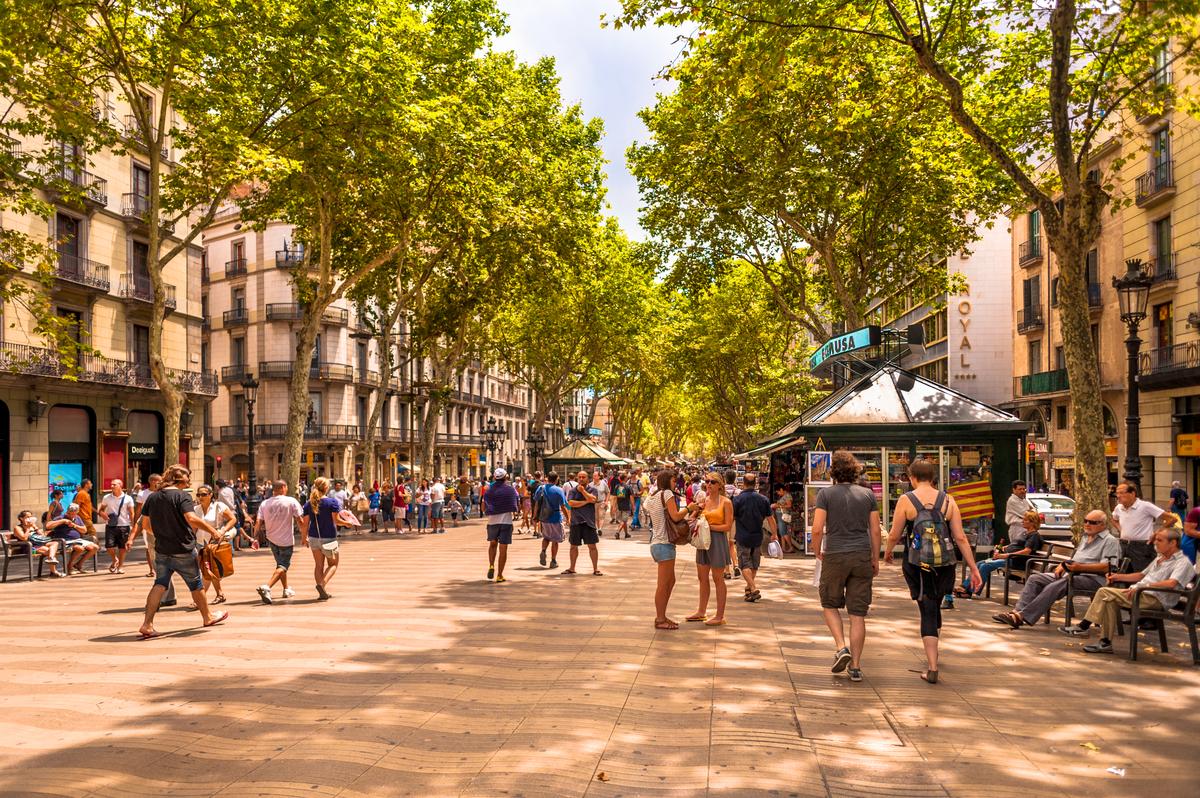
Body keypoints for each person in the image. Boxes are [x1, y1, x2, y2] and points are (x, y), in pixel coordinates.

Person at [885, 460, 982, 684]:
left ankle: (932, 667)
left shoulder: (906, 500)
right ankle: (934, 648)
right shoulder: (948, 500)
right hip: (945, 564)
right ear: (933, 477)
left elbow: (894, 533)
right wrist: (973, 567)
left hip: (917, 563)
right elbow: (960, 537)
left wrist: (887, 553)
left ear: (912, 477)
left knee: (927, 609)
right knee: (934, 604)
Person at [1061, 523, 1196, 654]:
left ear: (1173, 543)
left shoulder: (1182, 562)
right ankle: (1105, 642)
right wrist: (1118, 577)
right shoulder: (1160, 558)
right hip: (1141, 594)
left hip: (1155, 599)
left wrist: (1143, 586)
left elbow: (1172, 583)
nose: (1155, 543)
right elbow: (1141, 575)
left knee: (1104, 591)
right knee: (1109, 600)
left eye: (1160, 540)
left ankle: (1084, 626)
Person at [137, 464, 229, 638]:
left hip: (162, 549)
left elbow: (145, 525)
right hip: (183, 548)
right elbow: (191, 518)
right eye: (188, 476)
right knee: (196, 583)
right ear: (180, 478)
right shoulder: (182, 496)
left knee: (159, 584)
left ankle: (147, 624)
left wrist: (163, 533)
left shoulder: (153, 497)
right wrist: (213, 531)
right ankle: (207, 617)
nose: (189, 479)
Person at [810, 452, 879, 682]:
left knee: (829, 603)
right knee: (858, 614)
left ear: (833, 472)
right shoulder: (868, 495)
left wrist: (817, 551)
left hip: (835, 554)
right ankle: (856, 667)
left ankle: (841, 647)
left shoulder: (825, 494)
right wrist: (875, 558)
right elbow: (876, 530)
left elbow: (818, 528)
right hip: (861, 555)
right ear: (854, 471)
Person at [992, 509, 1121, 628]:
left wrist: (1079, 567)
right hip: (1072, 574)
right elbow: (1076, 560)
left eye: (1092, 522)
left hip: (1093, 579)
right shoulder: (1085, 537)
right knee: (1035, 578)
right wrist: (1063, 564)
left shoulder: (1110, 541)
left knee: (1058, 584)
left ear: (1103, 525)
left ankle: (1022, 616)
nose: (1087, 524)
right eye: (1085, 521)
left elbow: (1108, 567)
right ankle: (1016, 613)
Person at [947, 510, 1044, 606]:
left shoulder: (1034, 535)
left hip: (1016, 561)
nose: (1022, 521)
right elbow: (1016, 545)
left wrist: (1005, 555)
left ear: (1032, 522)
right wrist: (1004, 547)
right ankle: (965, 587)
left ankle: (969, 591)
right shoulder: (1025, 533)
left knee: (986, 566)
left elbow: (1026, 551)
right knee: (979, 563)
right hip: (1009, 558)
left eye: (1025, 520)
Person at [685, 471, 734, 626]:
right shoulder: (704, 501)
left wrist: (708, 526)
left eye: (712, 482)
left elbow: (727, 526)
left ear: (720, 485)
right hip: (703, 541)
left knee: (718, 578)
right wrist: (694, 513)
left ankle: (720, 615)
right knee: (702, 577)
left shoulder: (726, 502)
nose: (709, 484)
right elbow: (692, 518)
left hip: (718, 541)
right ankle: (701, 611)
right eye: (707, 481)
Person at [646, 470, 687, 629]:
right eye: (673, 480)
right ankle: (660, 619)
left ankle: (662, 616)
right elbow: (676, 516)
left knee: (670, 581)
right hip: (663, 544)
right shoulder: (667, 494)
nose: (675, 483)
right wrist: (689, 508)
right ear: (667, 481)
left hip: (657, 543)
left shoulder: (652, 497)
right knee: (663, 584)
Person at [301, 476, 351, 600]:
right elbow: (336, 520)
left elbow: (305, 524)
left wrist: (303, 538)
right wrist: (347, 523)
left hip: (313, 537)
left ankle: (322, 592)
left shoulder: (309, 504)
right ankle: (321, 585)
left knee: (318, 565)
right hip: (329, 538)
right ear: (326, 488)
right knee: (333, 564)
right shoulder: (332, 502)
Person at [255, 480, 303, 604]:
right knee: (283, 566)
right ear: (283, 487)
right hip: (286, 540)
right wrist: (305, 535)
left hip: (271, 539)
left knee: (280, 565)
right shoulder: (291, 501)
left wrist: (255, 538)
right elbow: (300, 520)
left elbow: (258, 522)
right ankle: (267, 587)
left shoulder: (264, 503)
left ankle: (286, 589)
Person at [732, 473, 778, 604]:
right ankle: (749, 589)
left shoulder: (737, 500)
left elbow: (731, 518)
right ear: (755, 483)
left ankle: (752, 587)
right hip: (758, 537)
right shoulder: (763, 499)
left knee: (744, 563)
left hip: (742, 536)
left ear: (743, 483)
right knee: (754, 563)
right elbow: (770, 518)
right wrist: (774, 533)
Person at [195, 484, 238, 604]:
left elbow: (233, 519)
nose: (201, 497)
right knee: (209, 569)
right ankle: (219, 594)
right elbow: (194, 527)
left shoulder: (219, 506)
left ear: (210, 495)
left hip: (214, 543)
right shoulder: (196, 509)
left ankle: (200, 599)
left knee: (207, 570)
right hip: (200, 542)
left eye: (204, 494)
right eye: (199, 494)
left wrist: (222, 531)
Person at [1112, 481, 1164, 572]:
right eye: (1117, 493)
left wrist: (1157, 533)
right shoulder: (1119, 508)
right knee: (1123, 572)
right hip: (1124, 545)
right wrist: (1121, 529)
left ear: (1132, 493)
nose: (1118, 496)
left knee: (1142, 573)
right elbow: (1113, 519)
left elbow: (1172, 519)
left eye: (1121, 493)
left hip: (1142, 546)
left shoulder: (1145, 506)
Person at [483, 468, 520, 582]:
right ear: (506, 477)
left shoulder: (488, 490)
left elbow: (484, 507)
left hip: (492, 522)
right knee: (503, 549)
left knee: (492, 544)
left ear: (494, 477)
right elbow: (516, 506)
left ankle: (491, 565)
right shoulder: (511, 490)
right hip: (506, 522)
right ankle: (499, 575)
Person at [566, 470, 602, 576]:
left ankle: (595, 569)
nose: (581, 479)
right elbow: (571, 503)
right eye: (579, 477)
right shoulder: (572, 490)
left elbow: (594, 499)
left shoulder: (593, 489)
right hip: (576, 522)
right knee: (573, 546)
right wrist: (586, 501)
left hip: (589, 522)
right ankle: (572, 568)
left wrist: (583, 492)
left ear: (588, 478)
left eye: (583, 477)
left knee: (592, 546)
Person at [46, 503, 100, 574]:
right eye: (69, 513)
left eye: (73, 514)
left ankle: (78, 564)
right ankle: (69, 566)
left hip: (77, 540)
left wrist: (74, 526)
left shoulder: (78, 518)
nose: (71, 515)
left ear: (77, 513)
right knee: (79, 548)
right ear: (67, 511)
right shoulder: (61, 517)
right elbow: (48, 526)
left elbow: (84, 530)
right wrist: (62, 521)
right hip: (65, 540)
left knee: (95, 547)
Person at [12, 510, 65, 577]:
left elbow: (43, 536)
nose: (29, 519)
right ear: (21, 518)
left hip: (38, 544)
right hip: (29, 548)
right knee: (49, 550)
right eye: (27, 517)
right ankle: (54, 571)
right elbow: (24, 538)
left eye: (30, 517)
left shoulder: (32, 526)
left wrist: (35, 528)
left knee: (54, 543)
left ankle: (51, 559)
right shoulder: (18, 528)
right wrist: (28, 529)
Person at [99, 479, 135, 574]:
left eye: (114, 484)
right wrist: (102, 514)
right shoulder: (106, 497)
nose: (111, 486)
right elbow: (101, 510)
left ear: (120, 485)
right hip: (110, 525)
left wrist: (133, 525)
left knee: (122, 548)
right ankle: (115, 560)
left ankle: (120, 567)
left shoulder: (128, 498)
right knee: (109, 546)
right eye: (111, 484)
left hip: (124, 525)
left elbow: (132, 513)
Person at [535, 472, 568, 569]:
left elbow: (537, 503)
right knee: (555, 540)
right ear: (556, 479)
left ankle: (543, 550)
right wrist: (568, 518)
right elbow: (563, 506)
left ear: (547, 478)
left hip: (544, 518)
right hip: (556, 517)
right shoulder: (559, 490)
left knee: (546, 537)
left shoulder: (541, 488)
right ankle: (553, 561)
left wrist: (535, 516)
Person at [135, 475, 160, 578]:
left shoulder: (162, 492)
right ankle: (152, 569)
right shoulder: (142, 494)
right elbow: (138, 510)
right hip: (147, 523)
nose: (158, 483)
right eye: (157, 481)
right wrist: (136, 524)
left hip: (161, 523)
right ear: (152, 481)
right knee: (149, 547)